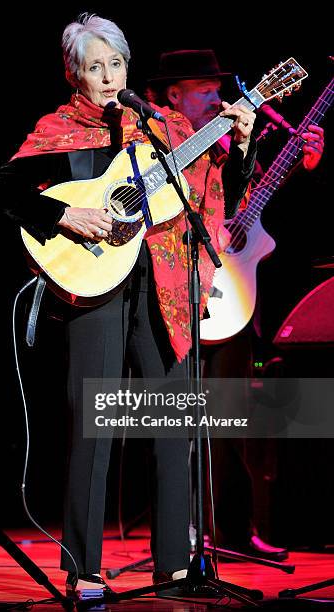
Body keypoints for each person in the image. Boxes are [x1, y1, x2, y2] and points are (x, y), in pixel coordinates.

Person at [0, 15, 256, 598]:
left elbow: (214, 189)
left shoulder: (165, 127)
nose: (108, 76)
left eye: (116, 64)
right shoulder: (57, 131)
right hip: (95, 282)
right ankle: (85, 568)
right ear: (73, 74)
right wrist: (65, 214)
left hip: (164, 282)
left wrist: (246, 142)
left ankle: (176, 567)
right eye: (95, 66)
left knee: (171, 424)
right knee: (96, 426)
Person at [146, 49, 325, 561]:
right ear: (172, 94)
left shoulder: (239, 142)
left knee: (232, 420)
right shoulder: (156, 141)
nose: (215, 94)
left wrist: (307, 166)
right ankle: (176, 537)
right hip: (177, 290)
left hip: (234, 295)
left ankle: (236, 534)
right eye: (202, 87)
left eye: (216, 85)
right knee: (173, 419)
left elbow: (272, 211)